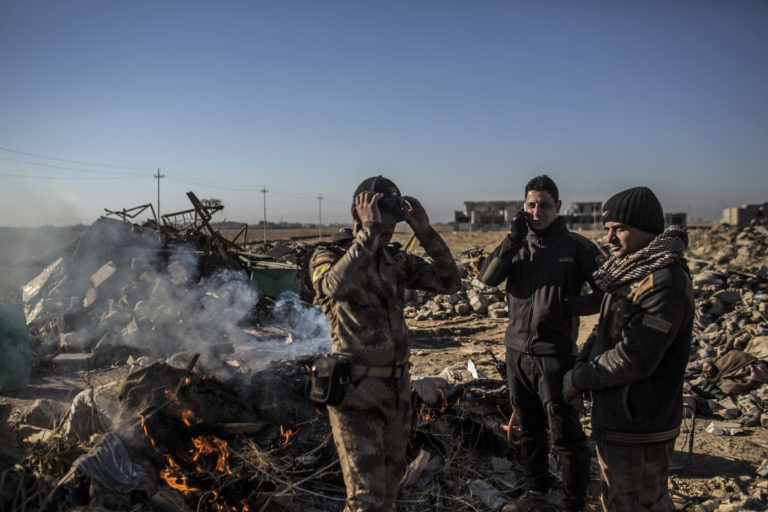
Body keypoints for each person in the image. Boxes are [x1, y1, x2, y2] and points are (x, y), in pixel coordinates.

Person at [310, 176, 461, 511]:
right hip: (357, 394)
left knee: (389, 495)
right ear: (358, 214)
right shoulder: (328, 255)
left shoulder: (395, 261)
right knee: (365, 501)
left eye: (393, 224)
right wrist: (366, 235)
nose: (389, 230)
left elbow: (450, 282)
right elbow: (333, 287)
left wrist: (425, 232)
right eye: (383, 222)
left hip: (397, 392)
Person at [564, 186, 694, 512]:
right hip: (619, 421)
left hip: (641, 428)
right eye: (608, 229)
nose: (609, 238)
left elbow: (635, 357)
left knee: (636, 504)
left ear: (646, 230)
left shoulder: (663, 282)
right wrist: (578, 370)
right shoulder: (630, 273)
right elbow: (602, 331)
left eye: (619, 228)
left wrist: (579, 380)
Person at [479, 175, 604, 512]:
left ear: (558, 207)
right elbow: (487, 279)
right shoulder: (515, 243)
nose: (537, 211)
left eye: (544, 205)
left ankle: (573, 501)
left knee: (565, 434)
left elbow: (609, 292)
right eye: (531, 205)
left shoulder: (577, 246)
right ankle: (536, 492)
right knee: (529, 429)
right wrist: (511, 239)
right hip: (516, 354)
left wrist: (570, 306)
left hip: (555, 356)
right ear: (524, 207)